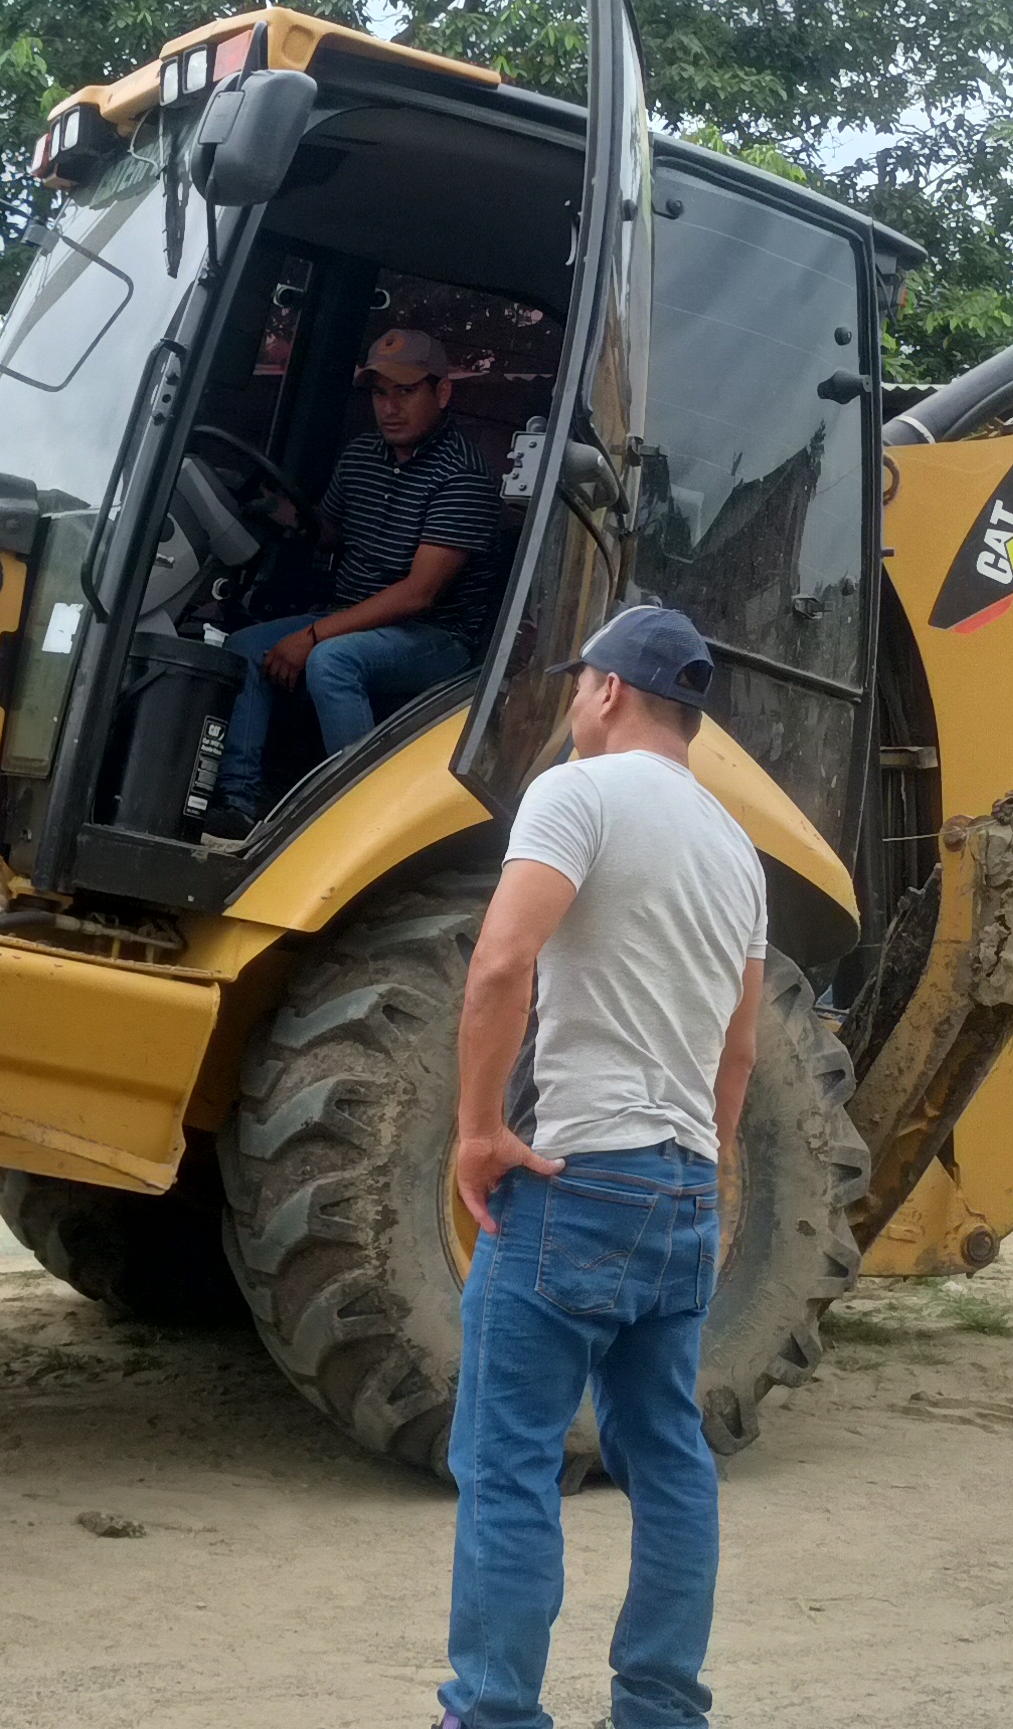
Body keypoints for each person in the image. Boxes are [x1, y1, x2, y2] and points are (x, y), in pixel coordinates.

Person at [434, 604, 766, 1729]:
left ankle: (493, 1714)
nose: (575, 699)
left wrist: (478, 1129)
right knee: (668, 1459)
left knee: (509, 1461)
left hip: (572, 1179)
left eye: (580, 682)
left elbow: (501, 964)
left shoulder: (573, 794)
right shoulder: (737, 849)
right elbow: (739, 1049)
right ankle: (662, 1712)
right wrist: (705, 1174)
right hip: (680, 1184)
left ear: (610, 689)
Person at [206, 326, 511, 841]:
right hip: (349, 612)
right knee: (243, 647)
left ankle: (362, 823)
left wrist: (312, 635)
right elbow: (330, 531)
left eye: (405, 391)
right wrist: (270, 506)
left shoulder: (463, 477)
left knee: (332, 662)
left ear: (441, 392)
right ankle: (236, 806)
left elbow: (419, 594)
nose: (389, 408)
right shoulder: (361, 456)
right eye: (379, 393)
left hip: (434, 636)